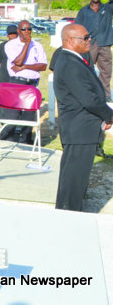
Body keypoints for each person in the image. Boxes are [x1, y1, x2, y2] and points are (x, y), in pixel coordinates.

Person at [53, 24, 113, 211]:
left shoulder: (72, 59)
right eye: (85, 38)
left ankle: (68, 212)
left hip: (80, 128)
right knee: (73, 181)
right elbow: (88, 98)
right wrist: (109, 115)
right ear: (70, 40)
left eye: (89, 37)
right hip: (80, 129)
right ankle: (69, 217)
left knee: (73, 180)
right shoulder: (69, 62)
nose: (89, 41)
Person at [1, 20, 47, 143]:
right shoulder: (11, 45)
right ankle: (4, 140)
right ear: (18, 31)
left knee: (29, 117)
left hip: (31, 83)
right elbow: (18, 62)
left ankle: (26, 141)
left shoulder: (38, 45)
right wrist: (27, 44)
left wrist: (26, 67)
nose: (27, 32)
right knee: (13, 117)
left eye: (29, 29)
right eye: (23, 29)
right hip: (17, 83)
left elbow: (43, 66)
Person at [75, 0, 113, 99]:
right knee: (86, 69)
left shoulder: (108, 8)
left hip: (104, 43)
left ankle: (105, 95)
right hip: (89, 44)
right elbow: (77, 27)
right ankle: (87, 94)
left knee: (106, 70)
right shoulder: (83, 11)